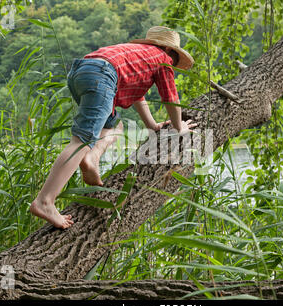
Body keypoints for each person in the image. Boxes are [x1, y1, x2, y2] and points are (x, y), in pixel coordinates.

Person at [30, 26, 197, 229]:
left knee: (115, 126)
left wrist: (152, 125)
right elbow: (170, 98)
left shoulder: (138, 54)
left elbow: (138, 95)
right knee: (81, 140)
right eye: (175, 60)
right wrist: (180, 128)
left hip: (82, 72)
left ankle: (91, 158)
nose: (173, 64)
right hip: (103, 76)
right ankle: (45, 201)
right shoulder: (163, 58)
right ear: (168, 50)